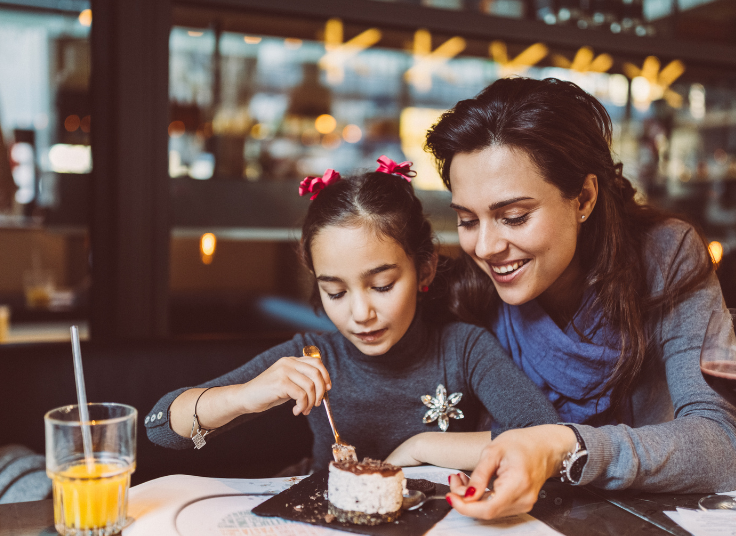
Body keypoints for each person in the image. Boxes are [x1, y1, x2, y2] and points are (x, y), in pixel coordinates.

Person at [419, 77, 736, 518]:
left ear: (583, 197)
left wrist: (563, 446)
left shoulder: (666, 254)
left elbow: (721, 446)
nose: (486, 247)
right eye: (467, 220)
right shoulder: (466, 288)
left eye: (513, 217)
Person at [145, 157, 560, 473]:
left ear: (425, 269)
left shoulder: (463, 349)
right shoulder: (312, 356)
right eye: (336, 292)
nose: (361, 313)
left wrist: (422, 447)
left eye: (381, 286)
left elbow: (546, 437)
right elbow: (160, 426)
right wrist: (244, 396)